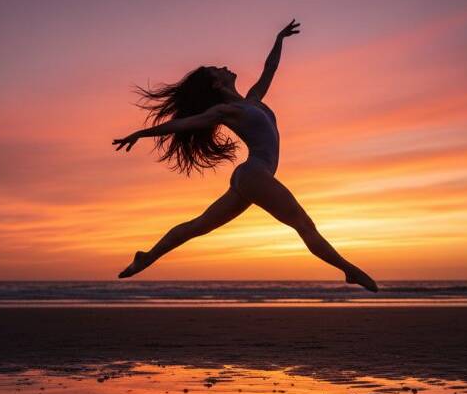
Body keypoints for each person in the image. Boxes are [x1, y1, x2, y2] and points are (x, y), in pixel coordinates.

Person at [112, 19, 378, 292]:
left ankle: (147, 257)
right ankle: (349, 270)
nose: (224, 67)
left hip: (249, 178)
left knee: (199, 226)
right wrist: (141, 134)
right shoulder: (226, 111)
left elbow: (270, 68)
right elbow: (185, 124)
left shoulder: (252, 100)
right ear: (216, 84)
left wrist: (279, 38)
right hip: (254, 174)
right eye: (218, 69)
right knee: (303, 223)